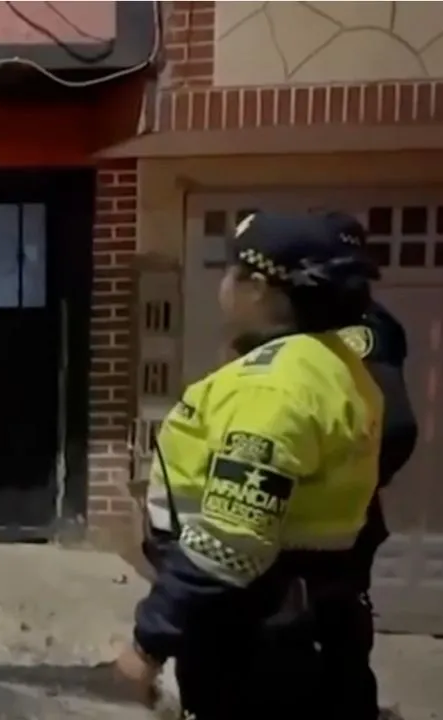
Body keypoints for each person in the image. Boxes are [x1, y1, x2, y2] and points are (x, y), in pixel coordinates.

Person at [114, 211, 385, 719]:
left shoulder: (271, 387)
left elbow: (231, 544)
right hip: (310, 620)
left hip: (257, 639)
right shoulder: (337, 366)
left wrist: (149, 642)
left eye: (231, 271)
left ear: (257, 287)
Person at [315, 211, 419, 719]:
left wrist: (351, 484)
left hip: (332, 522)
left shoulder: (362, 330)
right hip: (328, 518)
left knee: (332, 635)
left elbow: (396, 426)